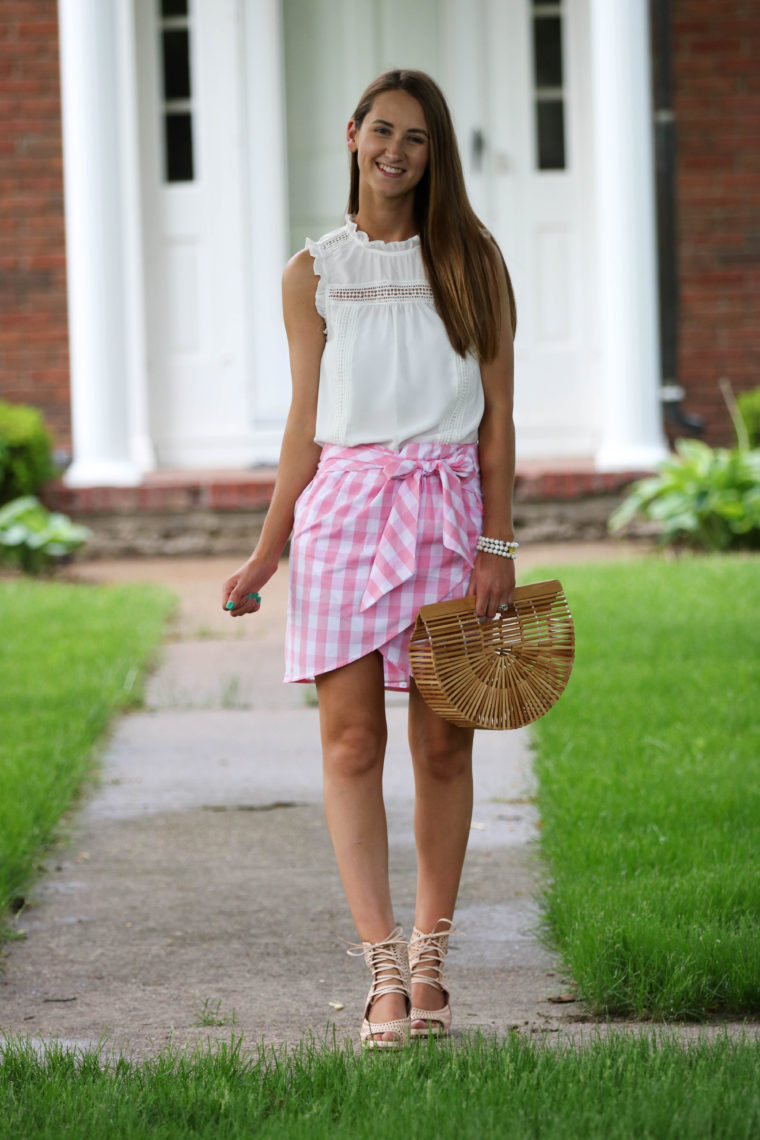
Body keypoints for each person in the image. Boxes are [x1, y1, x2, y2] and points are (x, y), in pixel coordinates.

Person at [222, 68, 517, 1049]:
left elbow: (500, 423)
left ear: (436, 155)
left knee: (443, 743)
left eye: (418, 138)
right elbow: (304, 427)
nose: (396, 151)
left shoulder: (474, 259)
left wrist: (497, 544)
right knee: (351, 745)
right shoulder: (312, 273)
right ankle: (382, 969)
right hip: (345, 514)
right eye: (382, 131)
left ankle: (431, 955)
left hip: (447, 514)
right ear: (352, 135)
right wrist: (266, 554)